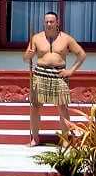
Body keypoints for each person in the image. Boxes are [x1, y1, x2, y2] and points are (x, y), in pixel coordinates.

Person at [24, 11, 86, 147]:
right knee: (35, 107)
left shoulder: (66, 39)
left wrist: (71, 71)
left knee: (63, 107)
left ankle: (65, 140)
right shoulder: (36, 38)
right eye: (46, 22)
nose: (49, 24)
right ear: (43, 22)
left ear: (57, 23)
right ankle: (35, 139)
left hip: (59, 75)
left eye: (52, 21)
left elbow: (81, 55)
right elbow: (25, 58)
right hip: (40, 74)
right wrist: (28, 55)